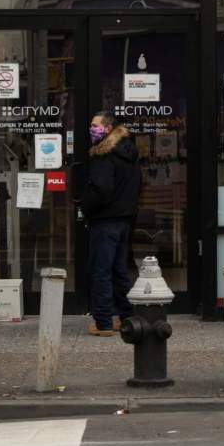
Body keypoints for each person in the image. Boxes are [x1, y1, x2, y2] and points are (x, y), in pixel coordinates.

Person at [81, 111, 140, 338]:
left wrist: (85, 206)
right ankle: (126, 317)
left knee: (100, 271)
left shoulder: (103, 154)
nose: (91, 128)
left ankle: (103, 322)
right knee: (118, 270)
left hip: (105, 221)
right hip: (125, 220)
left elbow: (101, 190)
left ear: (107, 128)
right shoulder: (129, 152)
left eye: (95, 125)